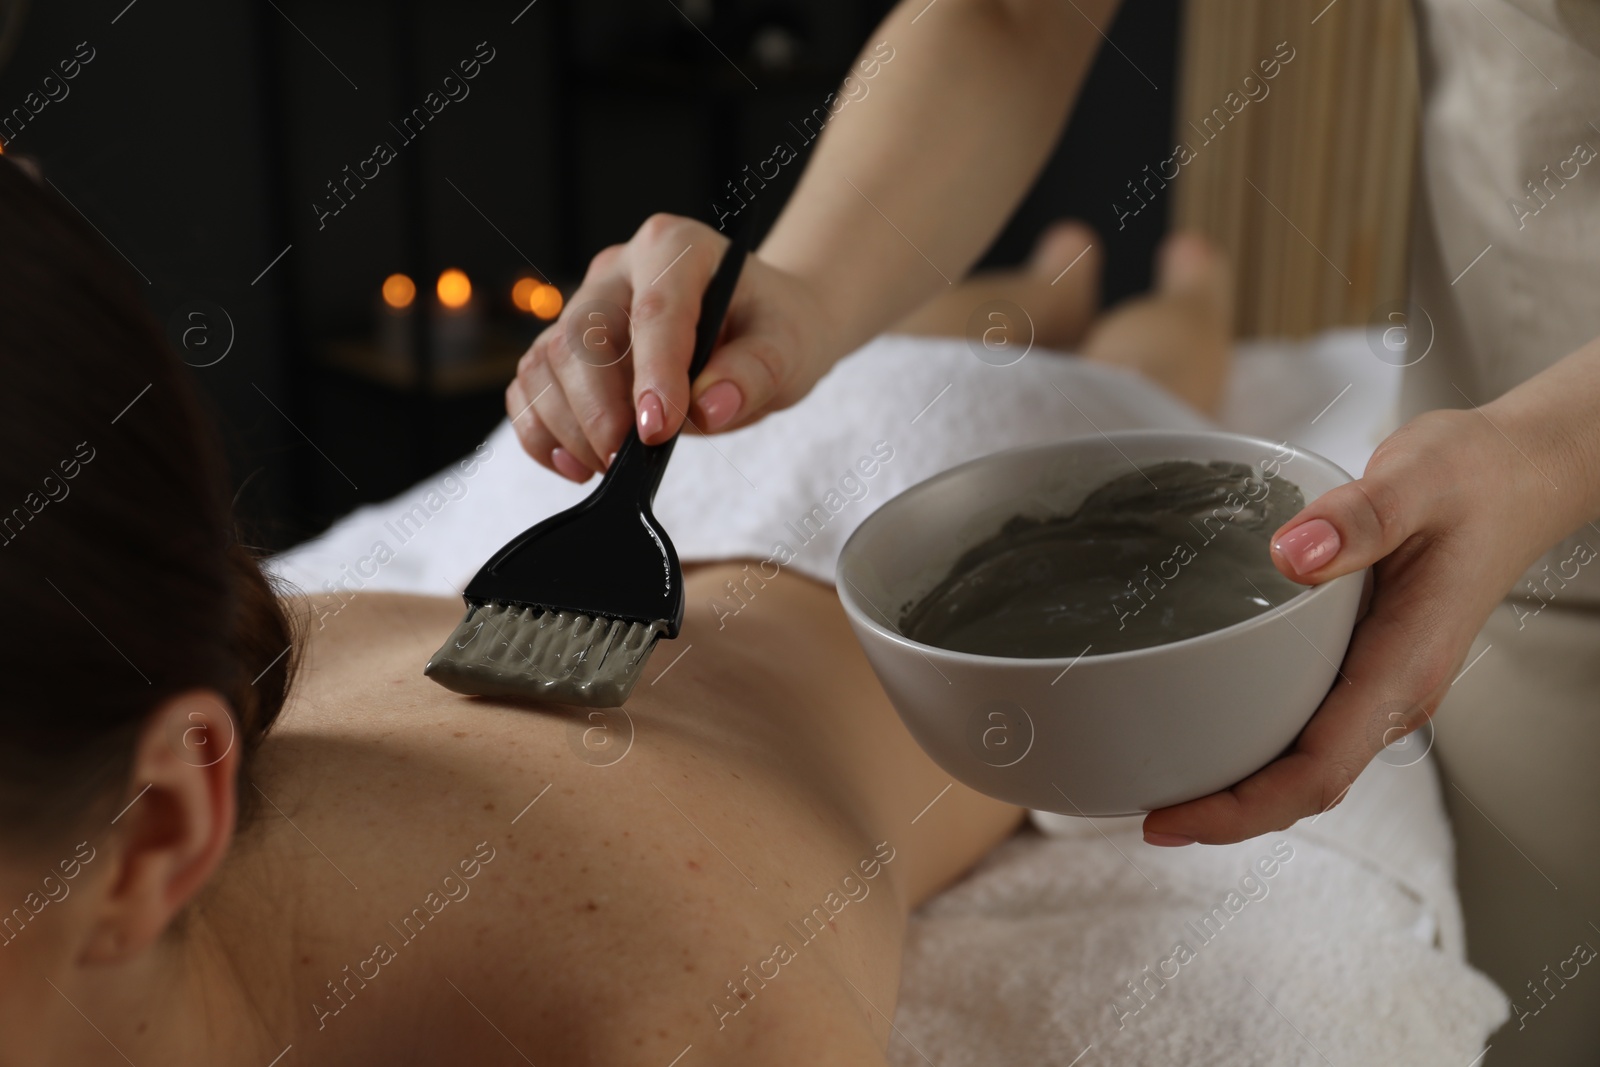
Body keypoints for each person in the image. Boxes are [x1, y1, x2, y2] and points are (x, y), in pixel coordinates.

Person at [508, 4, 1600, 1058]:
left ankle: (1186, 290)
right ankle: (1090, 282)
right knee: (1022, 349)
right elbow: (1010, 14)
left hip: (1549, 495)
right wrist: (808, 283)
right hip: (1487, 374)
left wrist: (1541, 457)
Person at [0, 153, 1261, 1065]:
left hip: (921, 546)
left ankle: (1171, 289)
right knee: (894, 341)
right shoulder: (145, 678)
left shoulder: (666, 1030)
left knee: (1134, 375)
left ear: (161, 824)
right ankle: (1045, 283)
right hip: (591, 514)